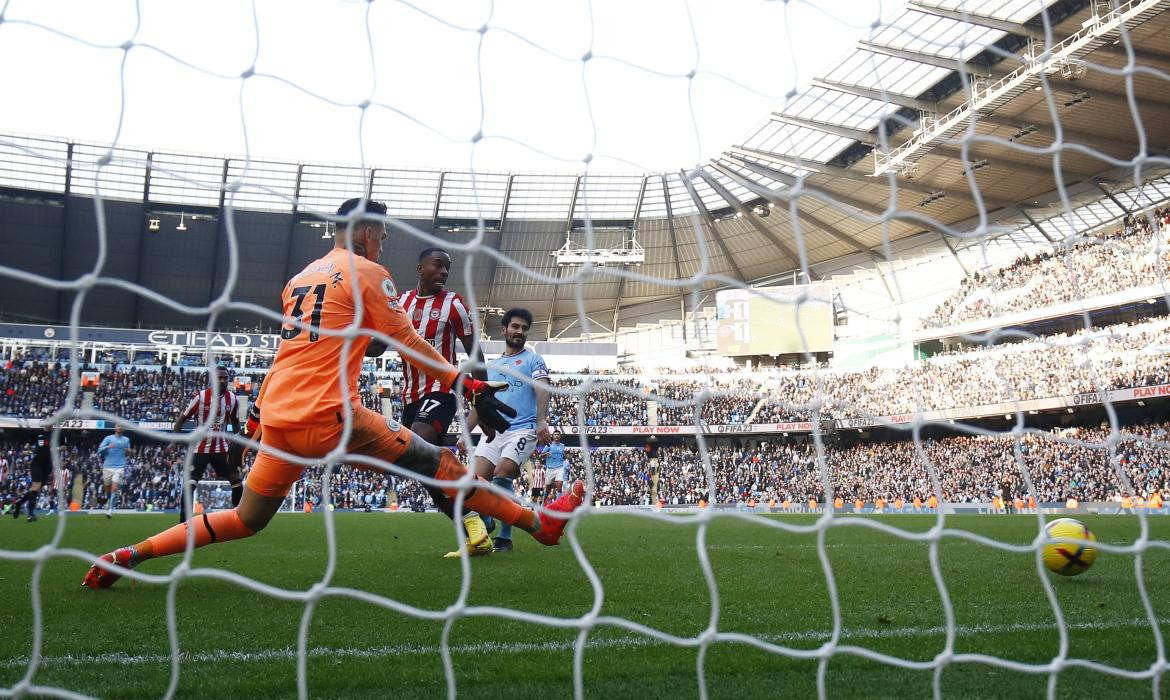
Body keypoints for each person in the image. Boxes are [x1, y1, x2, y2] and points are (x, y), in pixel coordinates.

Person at [84, 198, 584, 589]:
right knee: (442, 465)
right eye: (382, 238)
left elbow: (291, 354)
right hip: (333, 417)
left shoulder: (299, 279)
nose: (382, 247)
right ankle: (539, 525)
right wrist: (464, 381)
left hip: (281, 420)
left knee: (246, 518)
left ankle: (128, 555)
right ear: (367, 233)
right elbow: (407, 340)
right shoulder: (368, 272)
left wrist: (257, 417)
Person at [394, 246, 492, 553]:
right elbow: (374, 345)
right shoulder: (401, 303)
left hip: (441, 390)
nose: (444, 272)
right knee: (419, 466)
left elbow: (475, 353)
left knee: (421, 443)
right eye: (438, 265)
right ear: (421, 268)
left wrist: (482, 401)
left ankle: (476, 505)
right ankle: (474, 525)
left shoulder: (454, 304)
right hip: (410, 395)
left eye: (447, 268)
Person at [468, 308, 553, 555]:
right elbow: (478, 402)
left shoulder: (533, 359)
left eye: (524, 328)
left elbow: (542, 388)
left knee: (502, 473)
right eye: (515, 326)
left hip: (522, 430)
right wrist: (465, 431)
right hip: (493, 433)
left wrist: (541, 421)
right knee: (474, 483)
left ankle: (504, 538)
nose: (520, 331)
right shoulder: (491, 366)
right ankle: (488, 520)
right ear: (504, 330)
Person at [172, 366, 242, 523]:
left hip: (222, 449)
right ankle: (184, 524)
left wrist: (239, 445)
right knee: (189, 486)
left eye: (225, 378)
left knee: (236, 480)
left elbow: (236, 423)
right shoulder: (201, 397)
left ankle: (240, 521)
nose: (223, 381)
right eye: (219, 378)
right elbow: (180, 420)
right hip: (200, 449)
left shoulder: (233, 399)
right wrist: (175, 441)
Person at [13, 428, 58, 522]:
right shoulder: (37, 433)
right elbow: (27, 446)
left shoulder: (55, 434)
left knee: (36, 490)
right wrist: (25, 451)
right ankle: (30, 514)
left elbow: (62, 446)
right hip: (37, 463)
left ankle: (19, 504)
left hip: (48, 465)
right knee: (35, 487)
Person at [96, 424, 131, 518]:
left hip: (120, 466)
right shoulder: (108, 438)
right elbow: (99, 450)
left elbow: (127, 453)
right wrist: (108, 447)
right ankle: (109, 500)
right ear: (115, 428)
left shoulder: (126, 440)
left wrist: (128, 451)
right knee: (107, 488)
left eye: (121, 426)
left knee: (114, 488)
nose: (120, 427)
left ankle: (110, 509)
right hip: (108, 466)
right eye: (118, 426)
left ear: (123, 429)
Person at [541, 431, 566, 504]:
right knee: (548, 489)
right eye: (555, 434)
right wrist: (546, 453)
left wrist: (565, 456)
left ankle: (558, 504)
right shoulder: (548, 445)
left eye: (558, 434)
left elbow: (563, 456)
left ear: (560, 436)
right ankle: (543, 503)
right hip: (550, 469)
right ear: (553, 436)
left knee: (559, 486)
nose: (557, 436)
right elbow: (541, 455)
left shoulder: (562, 446)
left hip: (560, 468)